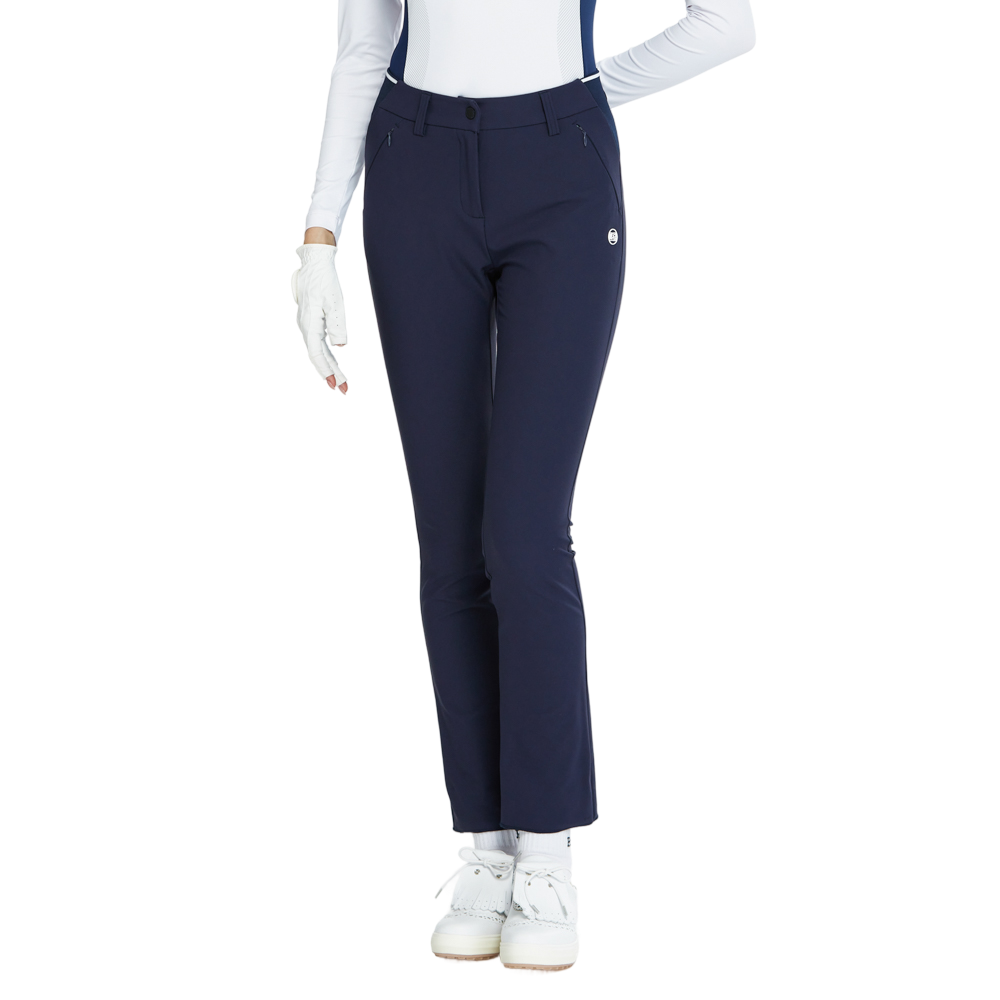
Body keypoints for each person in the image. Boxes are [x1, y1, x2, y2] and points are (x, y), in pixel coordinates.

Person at [291, 0, 757, 975]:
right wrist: (318, 238)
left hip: (559, 173)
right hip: (413, 164)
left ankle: (547, 854)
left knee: (524, 528)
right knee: (450, 539)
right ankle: (488, 843)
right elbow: (365, 45)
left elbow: (728, 22)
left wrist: (585, 94)